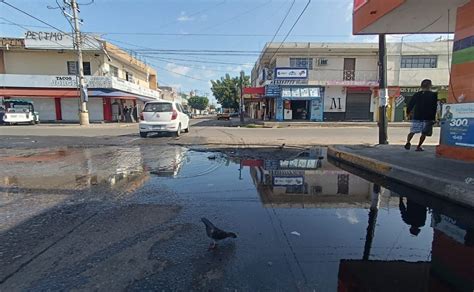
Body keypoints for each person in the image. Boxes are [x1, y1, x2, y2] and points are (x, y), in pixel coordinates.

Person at [405, 79, 438, 151]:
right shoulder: (433, 95)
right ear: (430, 86)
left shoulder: (417, 94)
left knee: (413, 131)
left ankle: (408, 142)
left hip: (417, 116)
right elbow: (434, 107)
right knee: (424, 133)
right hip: (427, 117)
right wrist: (434, 118)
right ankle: (419, 146)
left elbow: (410, 104)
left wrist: (408, 113)